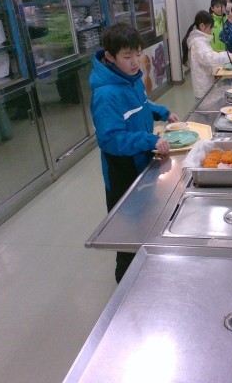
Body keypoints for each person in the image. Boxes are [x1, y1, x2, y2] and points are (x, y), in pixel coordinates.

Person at [90, 22, 179, 283]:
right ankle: (125, 286)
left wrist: (161, 112)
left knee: (146, 220)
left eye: (138, 54)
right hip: (123, 171)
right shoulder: (106, 94)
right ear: (110, 57)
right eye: (127, 56)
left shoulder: (131, 80)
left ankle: (147, 272)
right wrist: (149, 139)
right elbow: (110, 140)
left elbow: (141, 106)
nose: (135, 62)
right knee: (127, 235)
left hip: (141, 162)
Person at [182, 11, 232, 100]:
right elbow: (210, 58)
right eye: (210, 27)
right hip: (203, 89)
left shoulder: (200, 40)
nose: (211, 30)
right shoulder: (198, 43)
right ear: (202, 26)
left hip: (205, 85)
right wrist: (230, 56)